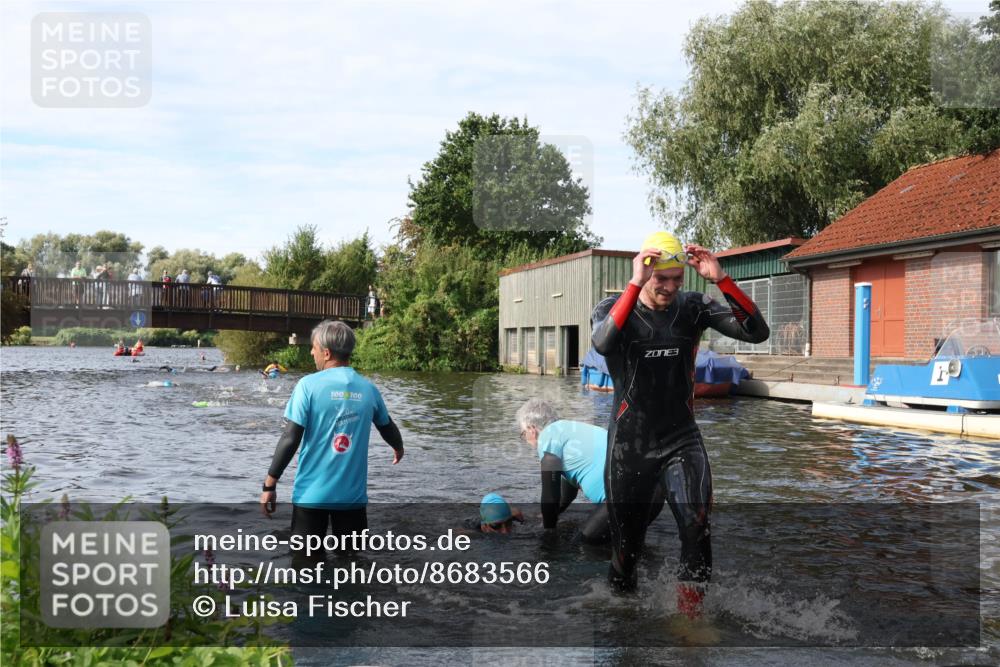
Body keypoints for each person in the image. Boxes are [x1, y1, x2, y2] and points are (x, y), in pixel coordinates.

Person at [591, 231, 769, 617]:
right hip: (630, 447)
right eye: (661, 279)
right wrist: (635, 283)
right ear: (645, 270)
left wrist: (720, 280)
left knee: (696, 524)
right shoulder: (613, 306)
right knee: (627, 548)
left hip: (680, 438)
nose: (670, 287)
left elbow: (757, 332)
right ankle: (620, 618)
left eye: (677, 279)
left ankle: (690, 622)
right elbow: (603, 344)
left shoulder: (693, 307)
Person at [260, 320, 404, 557]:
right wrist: (397, 446)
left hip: (311, 496)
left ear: (326, 353)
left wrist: (270, 484)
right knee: (351, 564)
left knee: (305, 566)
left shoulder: (307, 386)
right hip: (352, 498)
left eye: (314, 348)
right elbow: (387, 426)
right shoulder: (368, 389)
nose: (311, 352)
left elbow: (290, 437)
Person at [515, 398, 664, 544]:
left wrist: (548, 531)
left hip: (624, 498)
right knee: (625, 548)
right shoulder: (569, 432)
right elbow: (568, 493)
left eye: (523, 434)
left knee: (584, 544)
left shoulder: (547, 439)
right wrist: (545, 515)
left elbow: (550, 496)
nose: (525, 439)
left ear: (531, 429)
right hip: (654, 494)